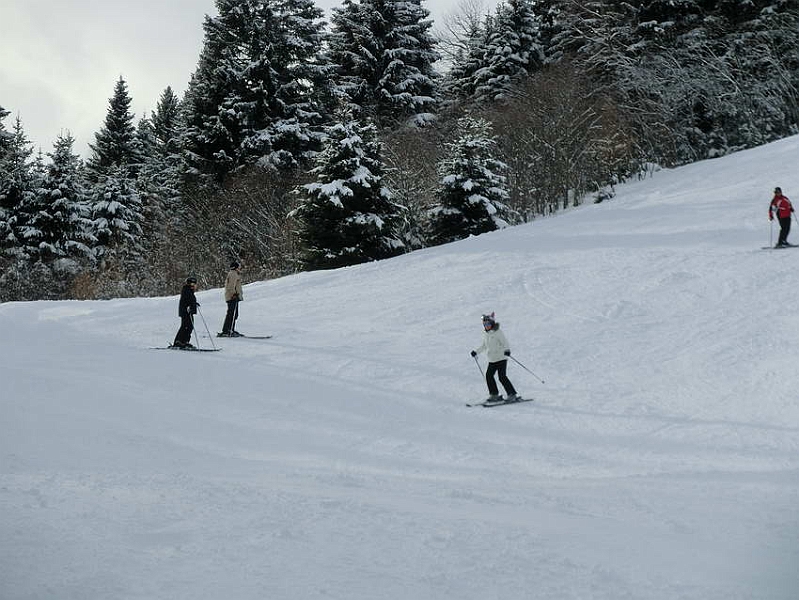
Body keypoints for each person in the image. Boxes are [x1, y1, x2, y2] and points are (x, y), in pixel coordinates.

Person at [470, 312, 518, 403]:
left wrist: (507, 350)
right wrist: (476, 352)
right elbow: (484, 346)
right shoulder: (485, 334)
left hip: (501, 358)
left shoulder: (498, 332)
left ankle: (512, 394)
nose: (486, 326)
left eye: (488, 324)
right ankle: (494, 394)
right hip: (492, 359)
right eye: (484, 324)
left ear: (492, 324)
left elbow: (505, 342)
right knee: (489, 376)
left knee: (502, 377)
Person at [173, 277, 199, 348]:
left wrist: (194, 304)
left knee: (190, 326)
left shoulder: (189, 291)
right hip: (186, 311)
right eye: (192, 283)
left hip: (188, 311)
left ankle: (185, 341)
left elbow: (191, 300)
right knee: (185, 326)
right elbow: (186, 300)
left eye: (194, 284)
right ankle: (178, 341)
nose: (194, 285)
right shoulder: (186, 290)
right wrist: (189, 306)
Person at [219, 261, 243, 337]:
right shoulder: (233, 274)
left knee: (234, 314)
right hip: (232, 297)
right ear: (236, 267)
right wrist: (234, 293)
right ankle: (227, 330)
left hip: (233, 296)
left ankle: (230, 329)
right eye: (239, 267)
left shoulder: (234, 274)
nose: (240, 268)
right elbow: (230, 286)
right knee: (231, 314)